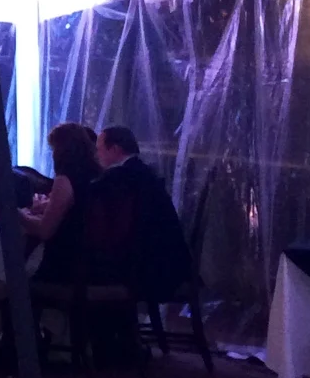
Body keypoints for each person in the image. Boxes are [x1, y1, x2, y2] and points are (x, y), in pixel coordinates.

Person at [96, 123, 194, 301]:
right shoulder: (143, 171)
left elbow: (90, 197)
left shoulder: (121, 176)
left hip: (152, 270)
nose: (97, 156)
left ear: (115, 149)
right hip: (170, 264)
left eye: (100, 149)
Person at [20, 121, 100, 285]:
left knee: (16, 280)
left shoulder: (65, 179)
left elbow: (44, 230)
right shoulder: (98, 175)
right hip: (95, 265)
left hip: (66, 265)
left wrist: (16, 215)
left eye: (53, 148)